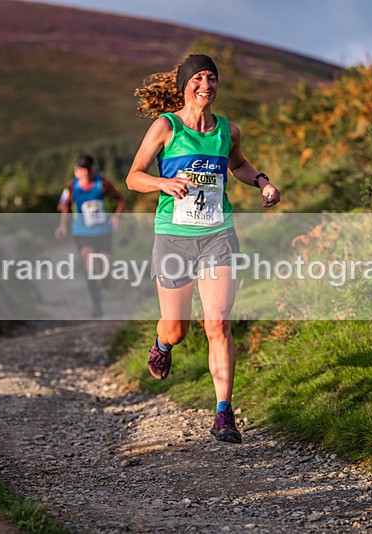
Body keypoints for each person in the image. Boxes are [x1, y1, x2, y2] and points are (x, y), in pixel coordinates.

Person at [126, 54, 281, 443]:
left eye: (211, 78)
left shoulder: (228, 129)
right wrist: (163, 184)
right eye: (197, 78)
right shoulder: (166, 126)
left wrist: (262, 182)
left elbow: (239, 165)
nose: (205, 84)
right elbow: (133, 177)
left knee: (217, 322)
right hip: (174, 236)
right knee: (177, 329)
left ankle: (223, 413)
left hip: (217, 235)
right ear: (184, 85)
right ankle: (162, 344)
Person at [56, 155, 126, 318]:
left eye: (87, 169)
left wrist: (117, 217)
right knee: (88, 261)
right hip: (82, 232)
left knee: (105, 265)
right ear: (77, 171)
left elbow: (121, 198)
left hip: (102, 231)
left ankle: (103, 283)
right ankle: (96, 304)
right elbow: (65, 206)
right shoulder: (72, 186)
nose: (84, 172)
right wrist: (62, 225)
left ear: (92, 169)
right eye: (81, 169)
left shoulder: (102, 183)